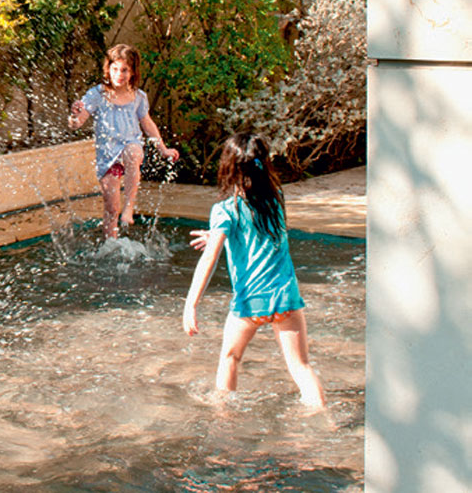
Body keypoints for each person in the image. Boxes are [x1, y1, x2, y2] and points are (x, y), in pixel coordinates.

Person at [181, 132, 325, 409]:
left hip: (251, 303)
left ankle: (224, 421)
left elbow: (210, 258)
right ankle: (324, 418)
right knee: (301, 366)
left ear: (228, 168)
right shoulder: (277, 200)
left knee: (230, 358)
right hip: (286, 299)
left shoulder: (225, 210)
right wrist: (219, 235)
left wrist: (191, 304)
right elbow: (260, 232)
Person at [68, 43, 179, 238]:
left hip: (131, 146)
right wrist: (74, 115)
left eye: (125, 70)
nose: (119, 74)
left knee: (133, 152)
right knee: (111, 208)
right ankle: (111, 243)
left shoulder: (138, 97)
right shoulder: (97, 95)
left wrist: (163, 149)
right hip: (108, 156)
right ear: (108, 69)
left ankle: (129, 207)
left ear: (133, 72)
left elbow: (147, 124)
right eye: (115, 69)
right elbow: (76, 124)